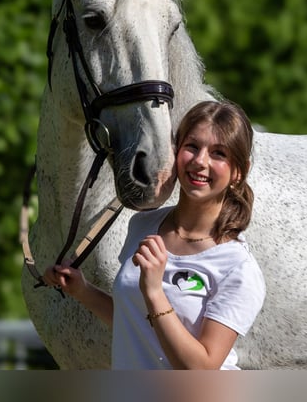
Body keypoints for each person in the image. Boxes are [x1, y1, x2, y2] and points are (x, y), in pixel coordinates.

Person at [43, 100, 266, 370]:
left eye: (219, 153)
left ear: (238, 172)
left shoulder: (237, 268)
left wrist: (154, 291)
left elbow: (201, 369)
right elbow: (136, 321)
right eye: (192, 147)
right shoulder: (142, 225)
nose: (200, 161)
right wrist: (82, 290)